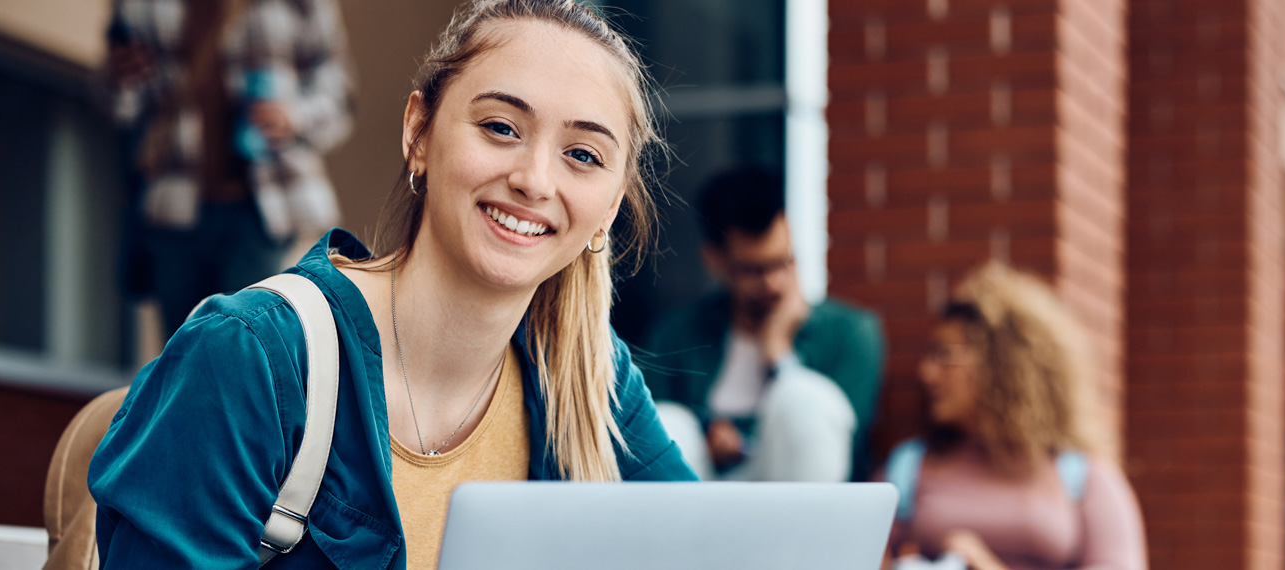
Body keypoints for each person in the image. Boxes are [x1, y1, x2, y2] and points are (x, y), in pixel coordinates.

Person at [88, 1, 696, 567]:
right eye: (501, 128)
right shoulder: (247, 358)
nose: (535, 180)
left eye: (583, 155)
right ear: (419, 135)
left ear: (611, 206)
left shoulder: (590, 379)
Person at [105, 0, 354, 338]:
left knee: (252, 350)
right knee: (183, 356)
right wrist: (120, 80)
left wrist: (294, 116)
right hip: (171, 212)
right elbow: (120, 104)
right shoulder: (137, 7)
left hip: (265, 211)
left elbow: (339, 90)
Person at [884, 263, 1146, 570]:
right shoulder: (908, 467)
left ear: (1002, 364)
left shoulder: (1085, 478)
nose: (926, 373)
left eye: (944, 355)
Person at [643, 167, 885, 482]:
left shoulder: (850, 333)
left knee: (804, 399)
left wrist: (780, 354)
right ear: (715, 260)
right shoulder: (679, 333)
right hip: (704, 488)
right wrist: (706, 430)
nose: (773, 283)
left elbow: (843, 446)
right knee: (669, 422)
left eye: (783, 262)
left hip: (794, 495)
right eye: (754, 270)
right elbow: (642, 428)